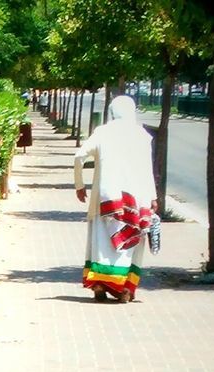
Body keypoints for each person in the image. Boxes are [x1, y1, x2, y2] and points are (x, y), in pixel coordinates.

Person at [74, 95, 157, 303]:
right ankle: (125, 291)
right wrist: (153, 197)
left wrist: (79, 185)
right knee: (132, 243)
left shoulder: (103, 132)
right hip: (137, 199)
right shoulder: (142, 135)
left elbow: (79, 156)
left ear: (112, 112)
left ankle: (100, 285)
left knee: (101, 243)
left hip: (106, 198)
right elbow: (148, 169)